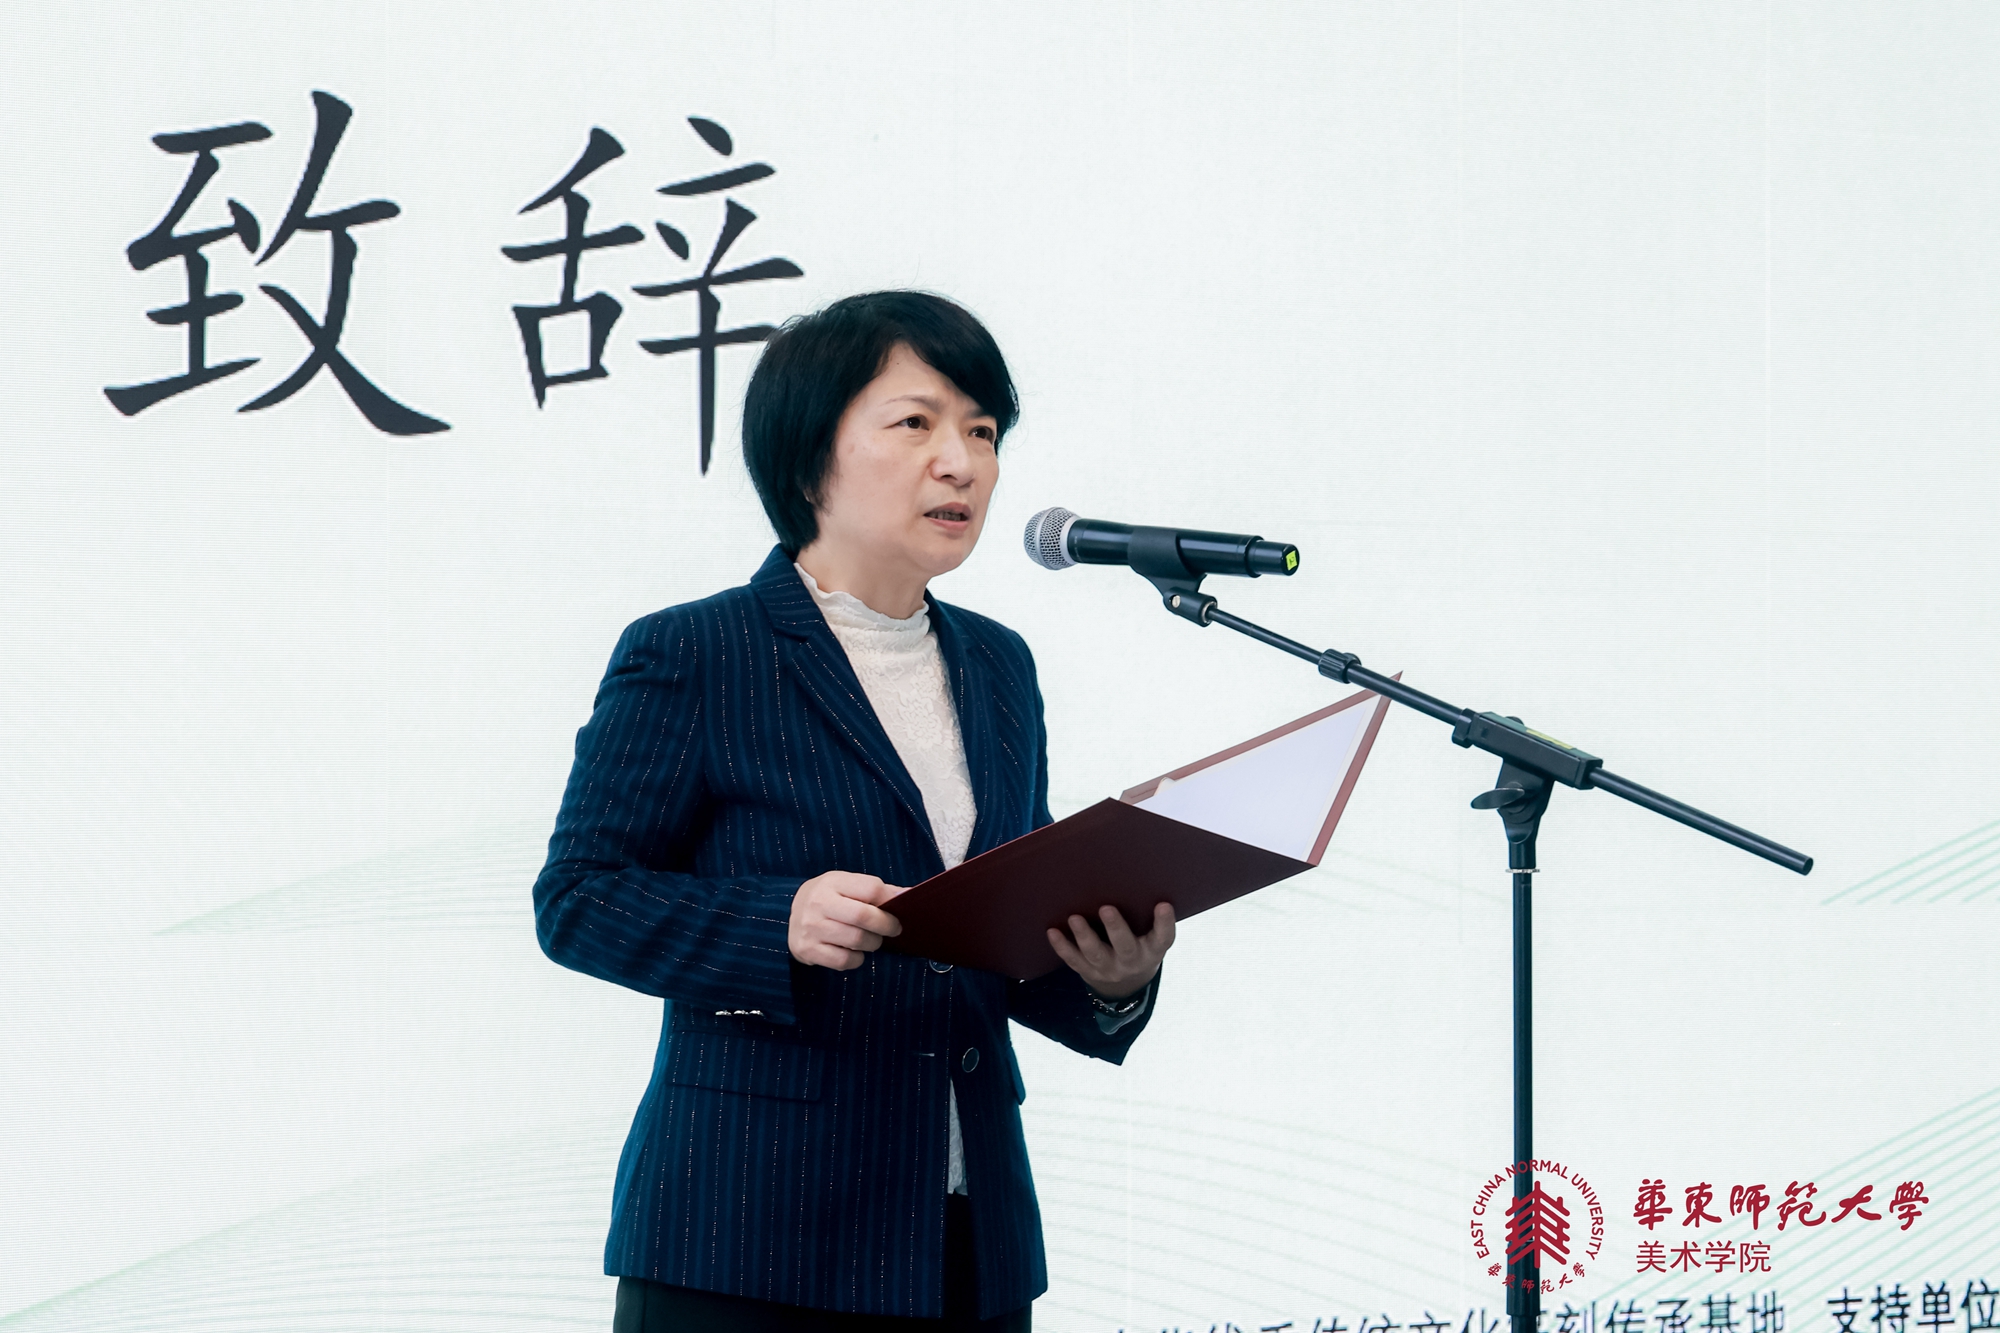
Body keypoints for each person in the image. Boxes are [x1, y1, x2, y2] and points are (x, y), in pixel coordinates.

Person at [533, 290, 1176, 1332]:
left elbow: (994, 930)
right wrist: (775, 921)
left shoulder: (998, 666)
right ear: (807, 462)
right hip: (750, 1237)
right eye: (916, 422)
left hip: (965, 1240)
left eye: (983, 431)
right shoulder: (697, 651)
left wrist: (1108, 981)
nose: (962, 462)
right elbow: (578, 899)